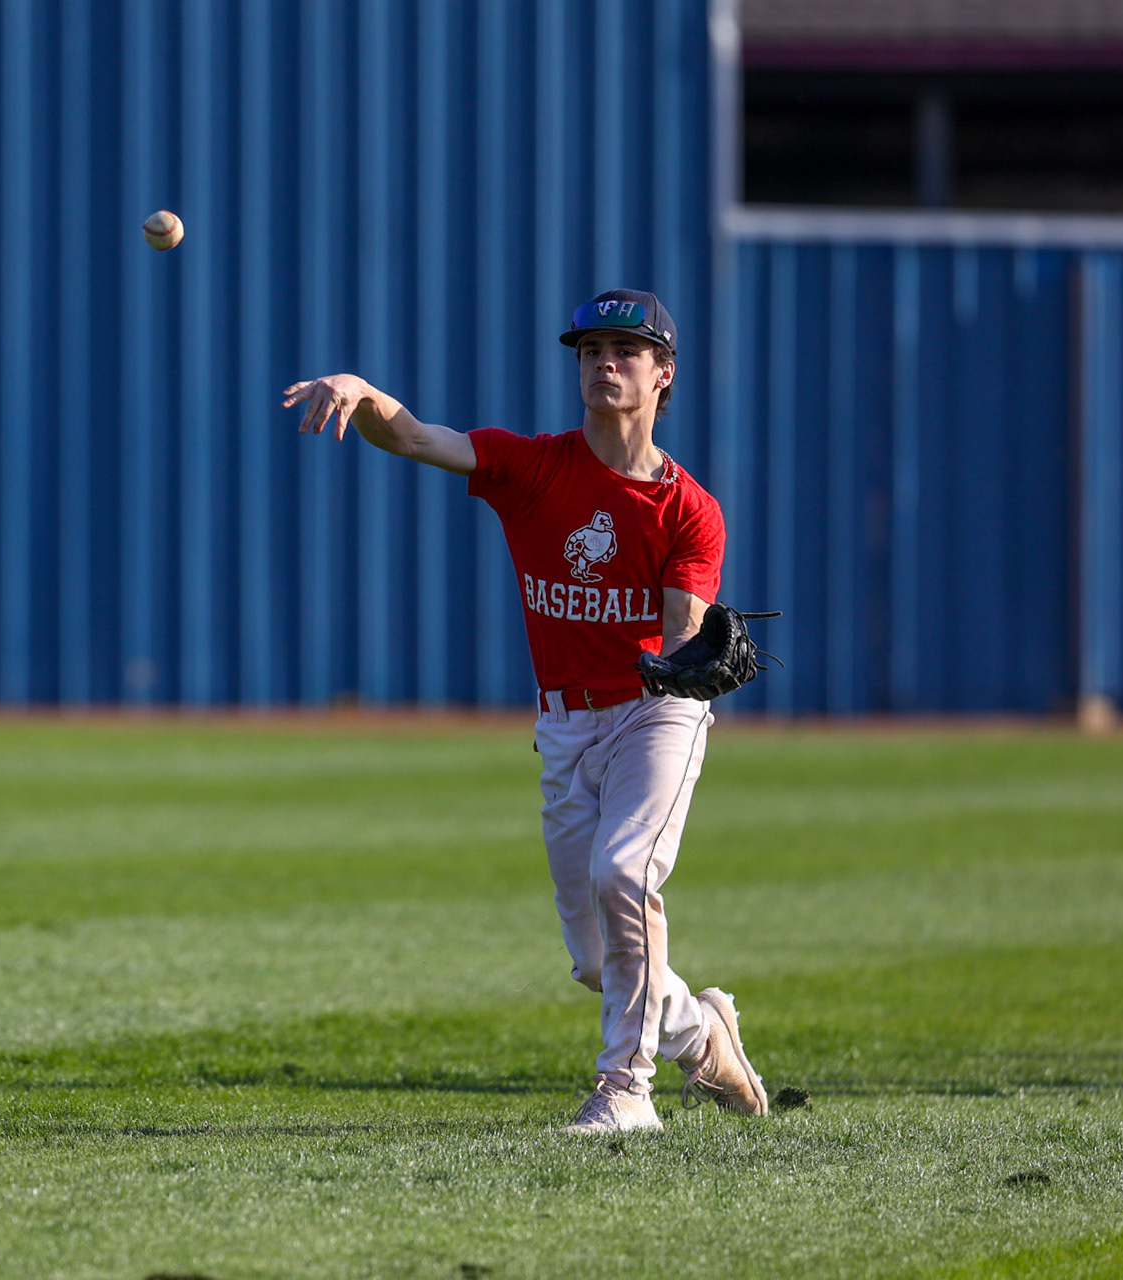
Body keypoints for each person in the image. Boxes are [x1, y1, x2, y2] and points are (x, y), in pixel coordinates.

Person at [283, 288, 767, 1134]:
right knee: (596, 960)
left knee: (625, 874)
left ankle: (627, 1091)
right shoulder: (533, 466)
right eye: (590, 351)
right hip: (565, 724)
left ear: (664, 375)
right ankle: (704, 1032)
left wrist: (688, 655)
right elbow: (414, 435)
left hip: (655, 713)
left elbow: (686, 635)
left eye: (624, 350)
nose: (603, 363)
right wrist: (362, 392)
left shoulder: (688, 509)